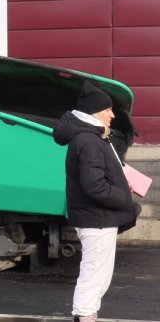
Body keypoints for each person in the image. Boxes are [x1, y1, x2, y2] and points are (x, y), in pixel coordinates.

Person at [53, 81, 141, 322]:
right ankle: (84, 317)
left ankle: (86, 315)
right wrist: (124, 198)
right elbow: (93, 186)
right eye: (107, 110)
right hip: (96, 220)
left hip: (96, 219)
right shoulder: (89, 141)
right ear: (94, 113)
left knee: (98, 275)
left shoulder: (91, 138)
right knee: (94, 275)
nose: (112, 115)